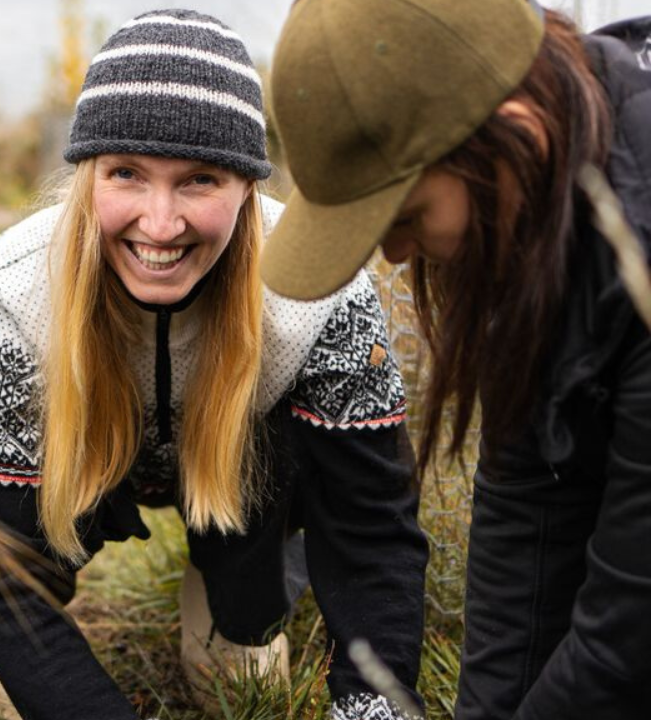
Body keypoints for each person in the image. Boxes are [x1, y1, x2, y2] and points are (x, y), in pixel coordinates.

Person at [0, 9, 428, 720]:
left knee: (244, 690)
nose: (160, 224)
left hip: (241, 492)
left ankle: (237, 597)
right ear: (88, 174)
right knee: (4, 685)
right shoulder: (9, 297)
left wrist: (375, 708)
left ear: (247, 186)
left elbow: (372, 526)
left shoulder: (319, 286)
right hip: (76, 478)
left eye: (200, 180)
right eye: (128, 174)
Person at [262, 0, 651, 718]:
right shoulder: (541, 195)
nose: (396, 253)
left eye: (406, 217)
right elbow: (531, 505)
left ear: (515, 133)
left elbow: (631, 626)